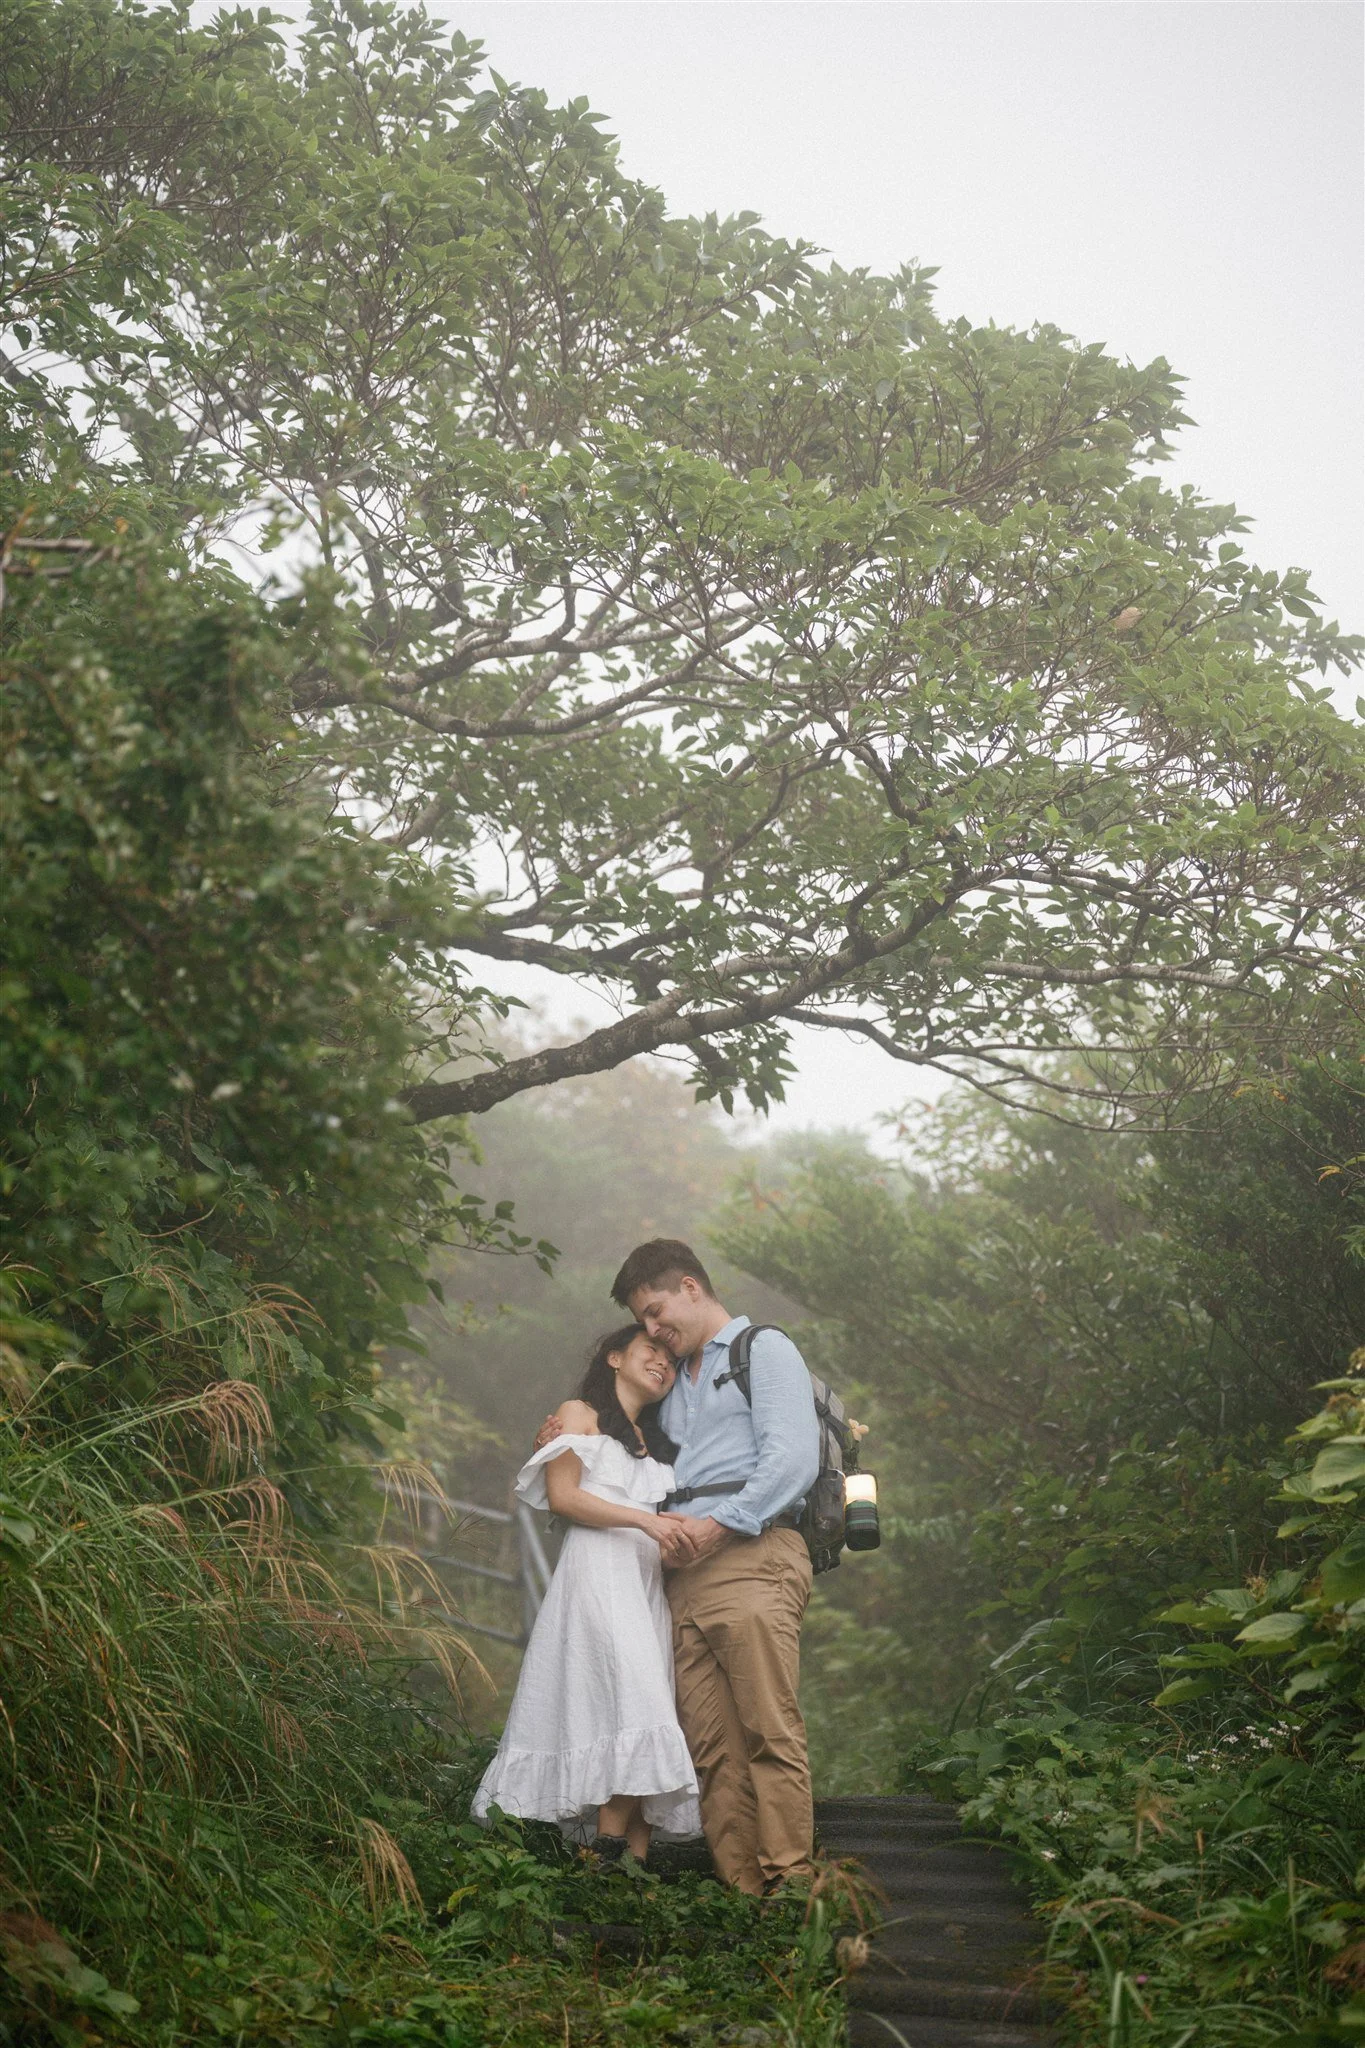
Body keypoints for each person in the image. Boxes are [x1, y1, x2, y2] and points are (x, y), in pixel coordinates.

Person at [536, 1240, 820, 1896]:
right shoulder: (671, 1383)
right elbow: (619, 1435)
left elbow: (791, 1460)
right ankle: (744, 1896)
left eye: (657, 1312)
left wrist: (718, 1527)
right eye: (643, 1321)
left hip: (750, 1555)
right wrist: (560, 1437)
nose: (653, 1329)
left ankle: (789, 1889)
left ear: (691, 1287)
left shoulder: (761, 1350)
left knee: (766, 1727)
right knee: (711, 1750)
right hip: (676, 1578)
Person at [472, 1325, 702, 1862]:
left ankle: (631, 1870)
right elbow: (564, 1498)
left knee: (644, 1711)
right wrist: (645, 1522)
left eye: (671, 1360)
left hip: (645, 1585)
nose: (662, 1364)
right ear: (614, 1358)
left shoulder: (658, 1444)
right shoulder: (578, 1414)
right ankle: (604, 1853)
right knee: (635, 1706)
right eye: (651, 1350)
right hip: (598, 1576)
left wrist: (669, 1540)